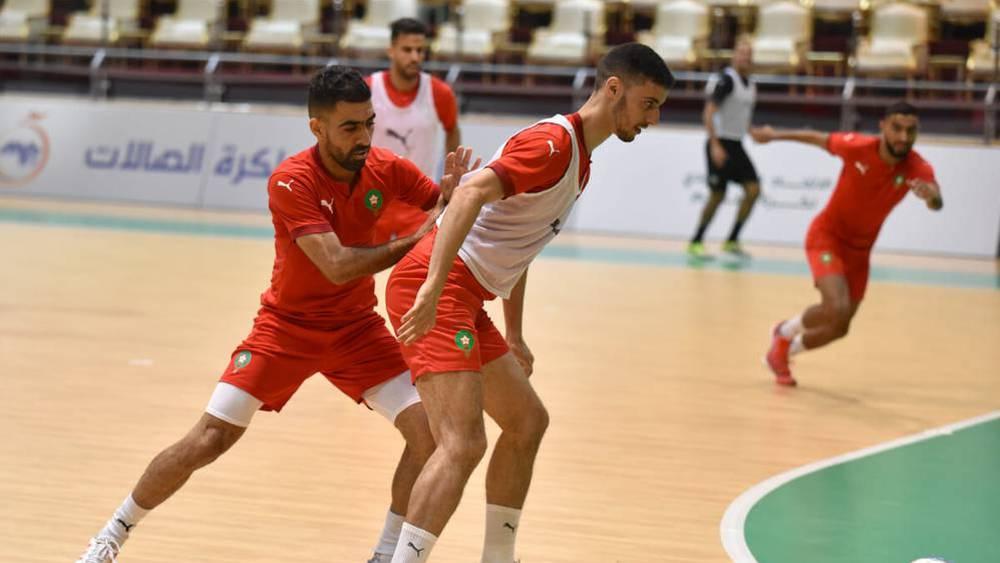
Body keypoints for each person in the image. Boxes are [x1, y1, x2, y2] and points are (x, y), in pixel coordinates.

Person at [76, 66, 477, 563]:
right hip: (286, 329)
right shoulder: (291, 181)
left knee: (429, 435)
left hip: (356, 330)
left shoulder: (385, 167)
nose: (365, 137)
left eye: (370, 123)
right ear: (317, 128)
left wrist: (457, 196)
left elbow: (441, 203)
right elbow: (335, 264)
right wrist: (416, 238)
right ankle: (111, 536)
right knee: (210, 437)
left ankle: (384, 554)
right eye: (351, 127)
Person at [383, 43, 675, 563]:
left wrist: (513, 333)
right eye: (649, 103)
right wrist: (431, 284)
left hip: (463, 294)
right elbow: (470, 194)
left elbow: (516, 250)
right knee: (462, 443)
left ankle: (499, 557)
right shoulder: (552, 145)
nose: (653, 117)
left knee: (526, 422)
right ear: (615, 90)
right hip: (438, 286)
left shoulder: (580, 161)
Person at [757, 101, 943, 386]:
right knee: (837, 307)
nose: (903, 138)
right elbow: (817, 139)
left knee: (840, 328)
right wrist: (774, 135)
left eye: (911, 131)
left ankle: (783, 351)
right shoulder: (858, 147)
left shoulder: (917, 166)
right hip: (827, 237)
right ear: (882, 126)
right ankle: (783, 332)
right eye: (896, 128)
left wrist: (930, 195)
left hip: (861, 252)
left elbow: (936, 201)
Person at [368, 17, 461, 245]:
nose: (415, 57)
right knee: (358, 275)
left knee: (414, 276)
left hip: (418, 200)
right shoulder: (368, 89)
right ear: (391, 50)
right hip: (373, 197)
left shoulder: (440, 93)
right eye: (407, 50)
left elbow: (452, 130)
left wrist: (450, 178)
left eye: (420, 50)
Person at [688, 35, 761, 260]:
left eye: (748, 55)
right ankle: (696, 241)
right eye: (740, 54)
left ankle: (732, 240)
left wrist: (752, 131)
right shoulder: (726, 81)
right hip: (720, 142)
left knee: (753, 189)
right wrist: (715, 145)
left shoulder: (751, 85)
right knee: (717, 195)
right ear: (734, 56)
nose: (744, 58)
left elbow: (741, 116)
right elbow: (709, 112)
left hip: (737, 143)